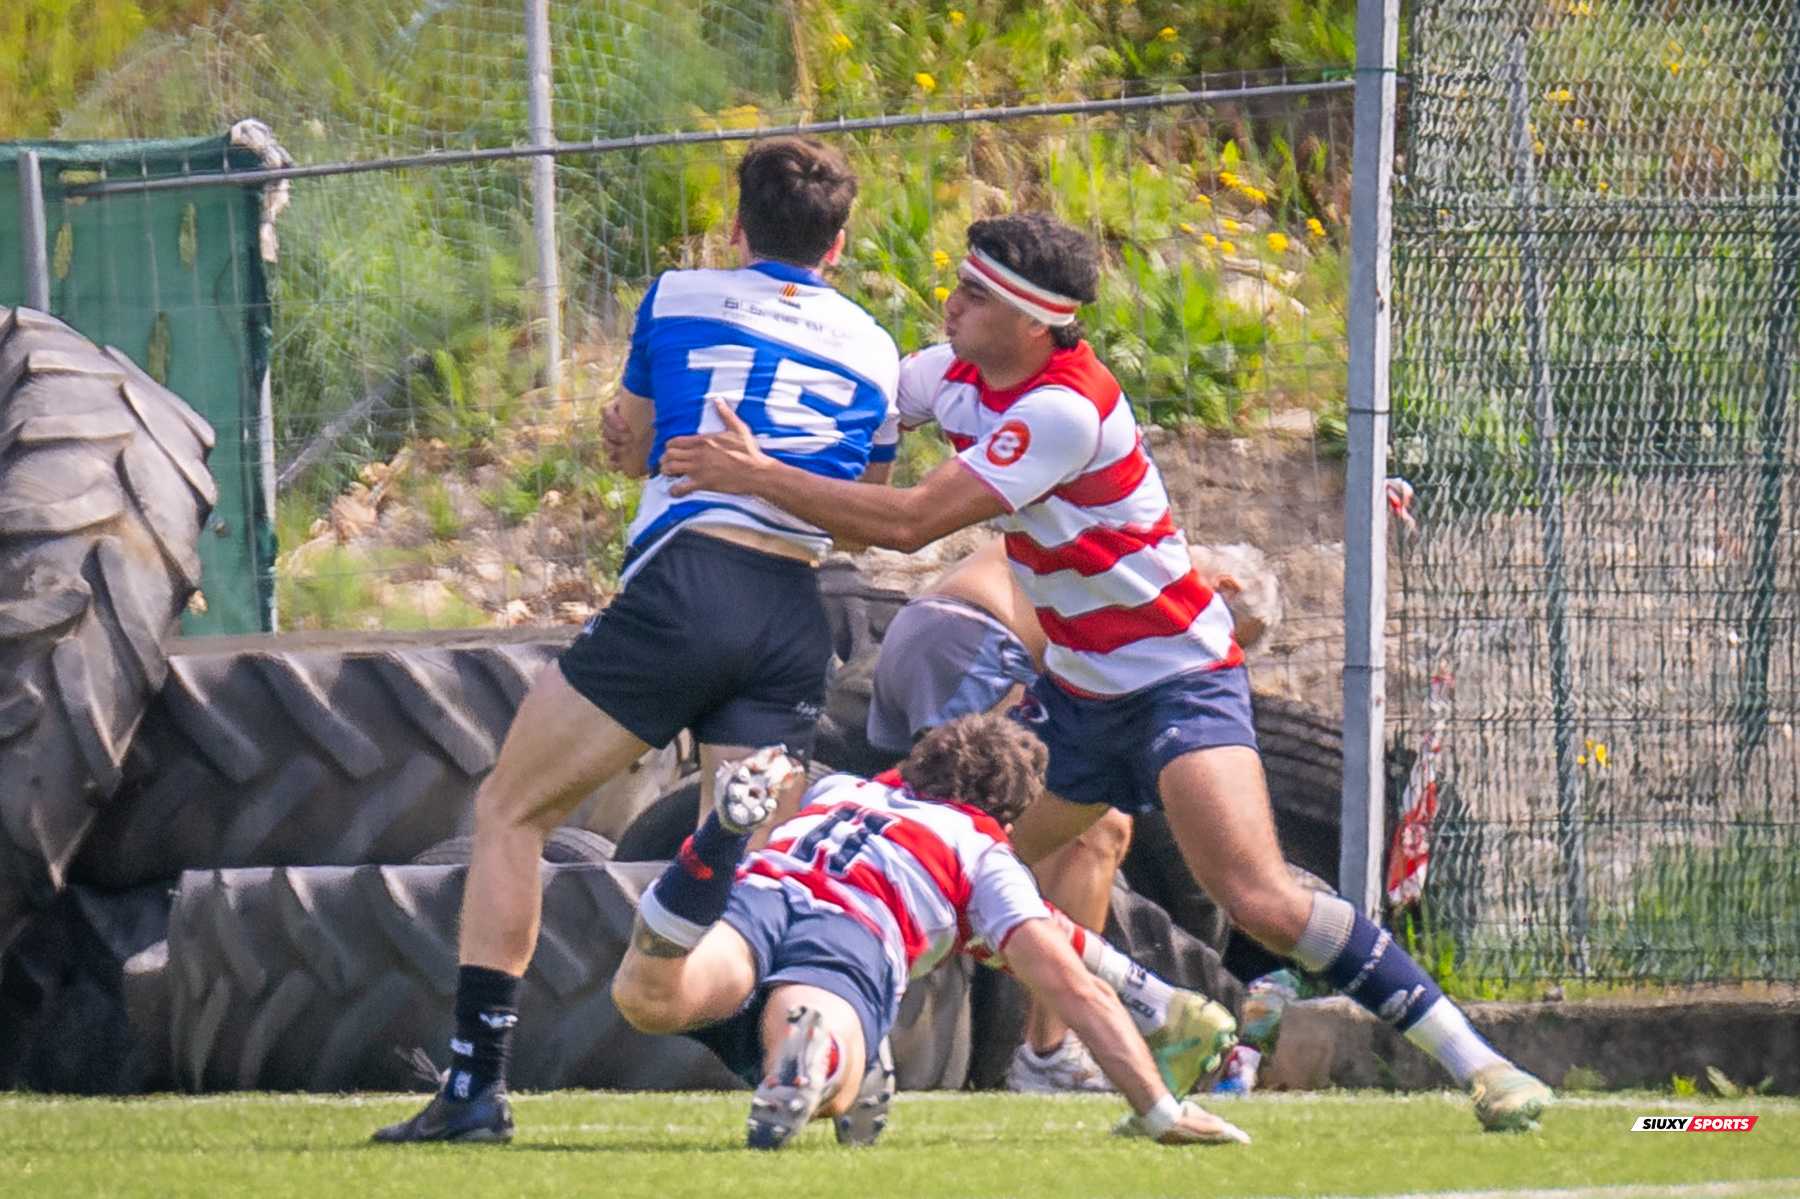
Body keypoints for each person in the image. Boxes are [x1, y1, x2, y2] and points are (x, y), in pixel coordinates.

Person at [656, 210, 1555, 1132]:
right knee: (938, 862)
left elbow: (907, 522)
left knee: (1259, 896)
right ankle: (1146, 1012)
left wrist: (756, 476)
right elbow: (848, 401)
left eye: (973, 295)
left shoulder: (1060, 407)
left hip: (1178, 682)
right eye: (959, 285)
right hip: (1076, 697)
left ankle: (1485, 1064)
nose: (949, 305)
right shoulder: (956, 373)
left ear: (1034, 322)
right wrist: (654, 425)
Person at [375, 136, 900, 1144]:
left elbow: (637, 435)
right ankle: (829, 1052)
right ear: (838, 247)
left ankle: (474, 1085)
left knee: (513, 809)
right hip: (797, 609)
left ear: (736, 229)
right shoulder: (876, 347)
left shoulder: (678, 293)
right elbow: (858, 501)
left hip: (686, 587)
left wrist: (641, 443)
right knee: (749, 878)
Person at [610, 714, 1249, 1149]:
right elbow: (1070, 986)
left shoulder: (839, 789)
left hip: (762, 893)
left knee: (650, 997)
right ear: (1009, 810)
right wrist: (1159, 1107)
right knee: (818, 1055)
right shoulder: (982, 850)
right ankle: (826, 1056)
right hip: (855, 932)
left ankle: (711, 849)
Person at [865, 537, 1280, 1093]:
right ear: (1223, 589)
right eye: (1226, 639)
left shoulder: (1132, 537)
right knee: (1096, 831)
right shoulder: (1164, 575)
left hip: (927, 639)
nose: (1207, 654)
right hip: (979, 646)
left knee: (966, 846)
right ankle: (1048, 1054)